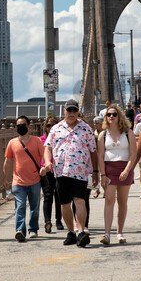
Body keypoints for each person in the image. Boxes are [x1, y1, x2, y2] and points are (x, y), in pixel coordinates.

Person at [45, 99, 98, 248]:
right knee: (65, 204)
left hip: (80, 172)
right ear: (64, 111)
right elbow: (47, 148)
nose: (72, 113)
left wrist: (95, 172)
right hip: (61, 171)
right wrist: (47, 161)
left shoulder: (86, 128)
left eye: (75, 110)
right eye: (69, 110)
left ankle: (81, 231)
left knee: (80, 200)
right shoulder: (56, 129)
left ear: (78, 112)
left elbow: (93, 151)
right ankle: (71, 232)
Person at [97, 104, 137, 244]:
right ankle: (107, 233)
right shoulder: (103, 135)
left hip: (124, 168)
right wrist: (102, 175)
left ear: (119, 116)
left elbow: (133, 154)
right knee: (109, 199)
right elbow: (100, 156)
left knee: (122, 201)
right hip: (109, 169)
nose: (111, 117)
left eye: (114, 114)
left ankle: (120, 232)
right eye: (109, 115)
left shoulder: (128, 132)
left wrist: (127, 170)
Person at [4, 115, 47, 242]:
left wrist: (44, 167)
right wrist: (5, 178)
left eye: (23, 125)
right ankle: (20, 230)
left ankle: (33, 229)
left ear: (29, 126)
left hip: (34, 179)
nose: (21, 127)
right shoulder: (12, 143)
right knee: (20, 206)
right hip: (18, 181)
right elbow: (7, 161)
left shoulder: (37, 141)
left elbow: (44, 155)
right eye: (18, 126)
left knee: (34, 207)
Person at [39, 117, 63, 233]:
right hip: (46, 171)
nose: (50, 127)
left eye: (53, 125)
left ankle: (59, 220)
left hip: (59, 170)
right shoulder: (41, 140)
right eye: (48, 125)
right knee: (47, 196)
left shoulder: (61, 138)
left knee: (59, 197)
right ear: (45, 127)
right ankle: (47, 221)